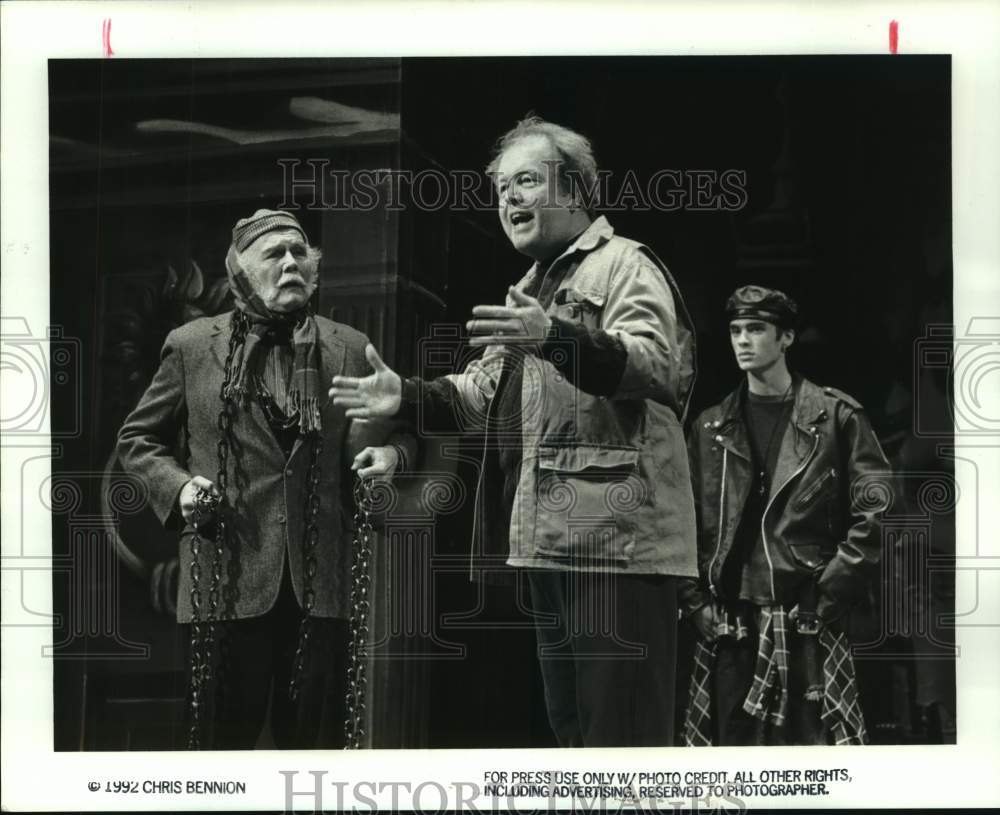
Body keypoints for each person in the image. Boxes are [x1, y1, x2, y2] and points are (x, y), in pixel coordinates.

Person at [330, 116, 698, 747]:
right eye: (501, 188)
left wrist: (554, 338)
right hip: (552, 547)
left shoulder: (624, 265)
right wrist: (405, 398)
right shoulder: (530, 288)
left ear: (576, 192)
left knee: (624, 752)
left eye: (527, 181)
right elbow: (477, 396)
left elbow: (657, 366)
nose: (509, 199)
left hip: (617, 547)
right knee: (577, 742)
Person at [117, 209, 413, 749]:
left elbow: (403, 433)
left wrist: (394, 456)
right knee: (218, 756)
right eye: (273, 254)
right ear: (241, 273)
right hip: (223, 580)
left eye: (300, 253)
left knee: (315, 759)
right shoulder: (190, 345)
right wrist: (180, 487)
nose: (290, 263)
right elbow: (138, 440)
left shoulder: (347, 345)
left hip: (320, 587)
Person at [679, 284, 890, 746]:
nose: (743, 340)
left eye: (756, 329)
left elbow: (877, 509)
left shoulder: (835, 417)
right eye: (736, 330)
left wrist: (831, 591)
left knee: (817, 762)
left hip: (807, 617)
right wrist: (695, 603)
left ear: (787, 338)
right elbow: (681, 521)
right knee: (730, 764)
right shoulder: (709, 426)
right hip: (730, 623)